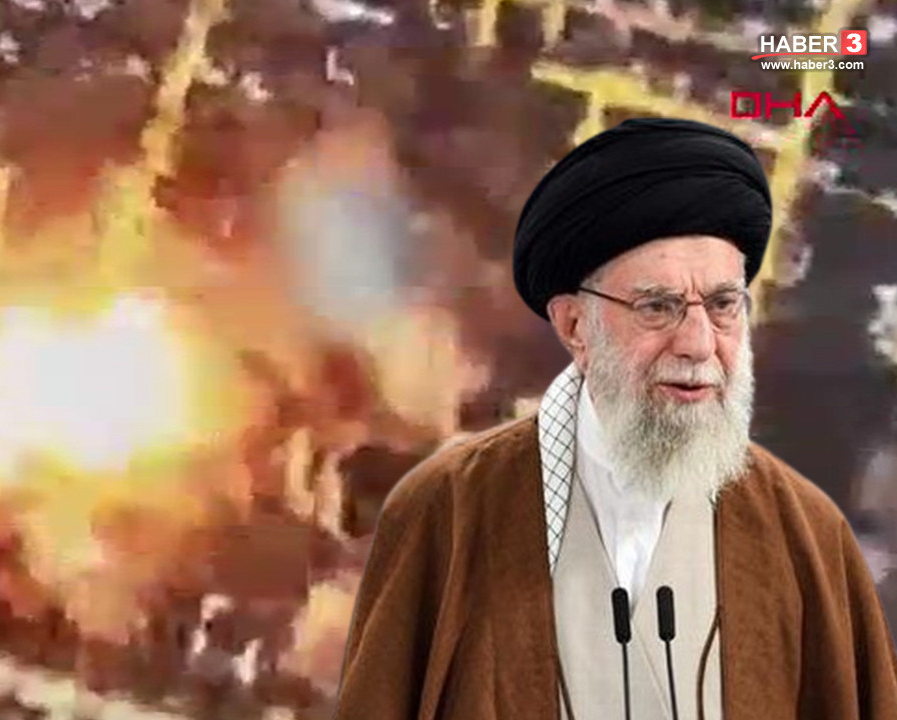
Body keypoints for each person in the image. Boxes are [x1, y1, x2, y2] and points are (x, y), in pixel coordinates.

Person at [332, 118, 897, 719]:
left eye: (723, 306)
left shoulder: (806, 534)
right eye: (657, 307)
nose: (698, 344)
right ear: (576, 326)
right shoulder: (446, 516)